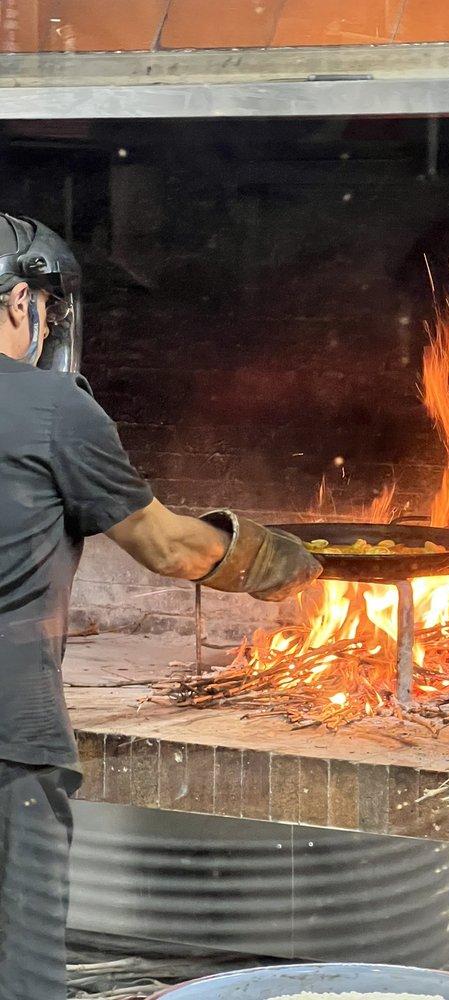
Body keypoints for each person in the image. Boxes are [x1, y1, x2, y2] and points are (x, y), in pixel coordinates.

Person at [0, 213, 321, 998]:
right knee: (20, 962)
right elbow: (168, 548)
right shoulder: (51, 407)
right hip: (7, 732)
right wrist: (272, 558)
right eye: (47, 303)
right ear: (18, 303)